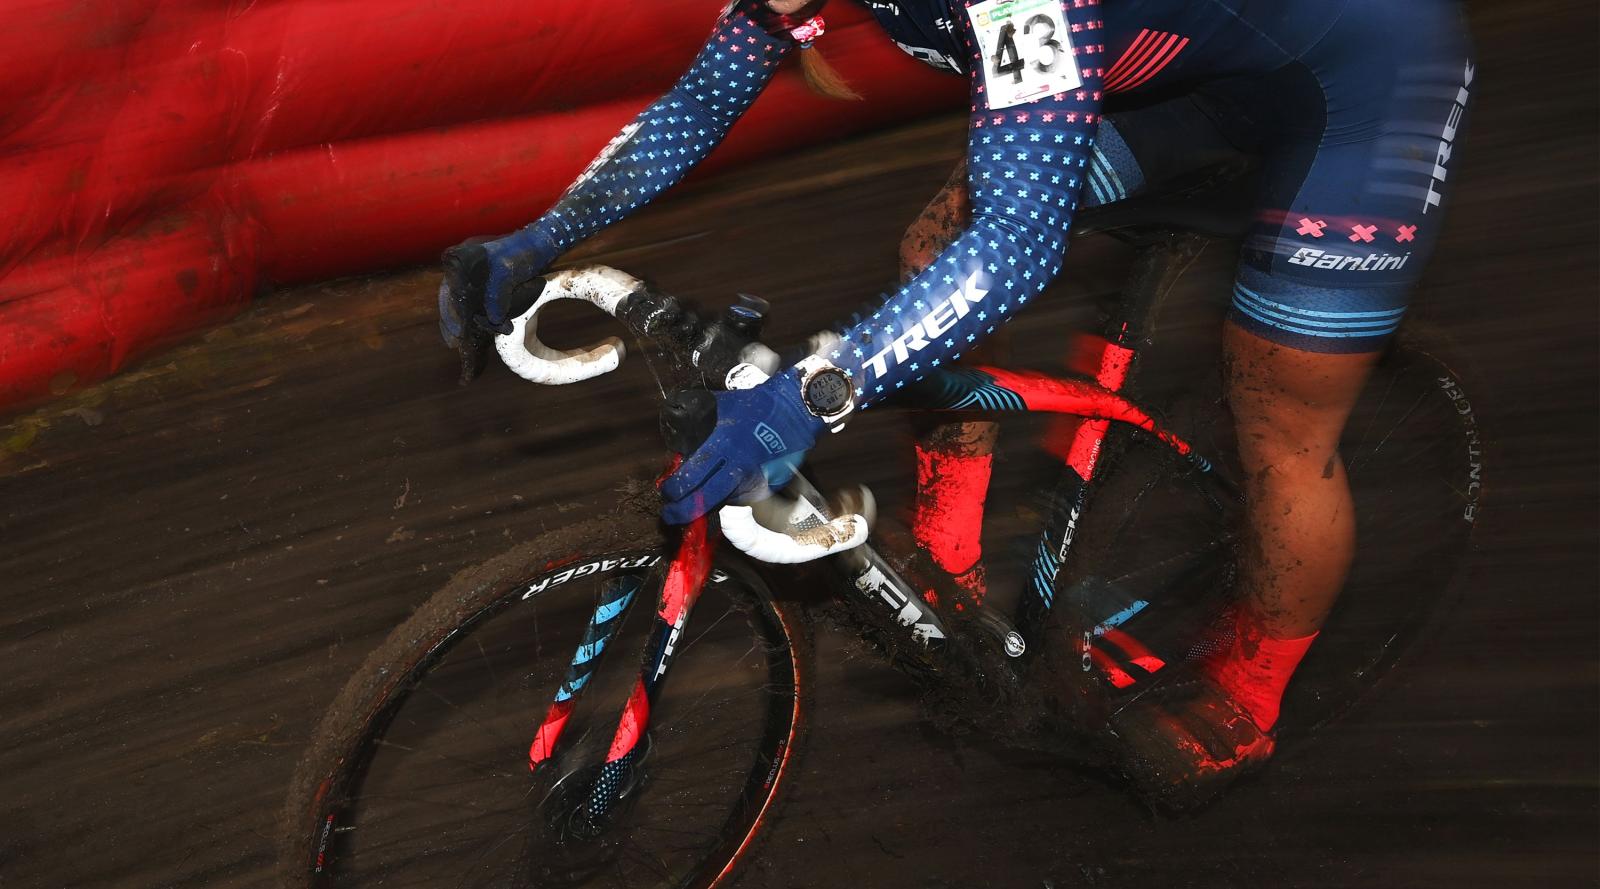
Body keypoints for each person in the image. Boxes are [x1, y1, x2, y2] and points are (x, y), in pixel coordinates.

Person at [438, 0, 1474, 808]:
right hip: (1191, 75)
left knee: (1280, 420)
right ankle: (952, 556)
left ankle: (1246, 692)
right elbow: (706, 97)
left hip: (1359, 85)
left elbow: (1019, 245)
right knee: (936, 246)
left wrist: (818, 391)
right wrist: (541, 236)